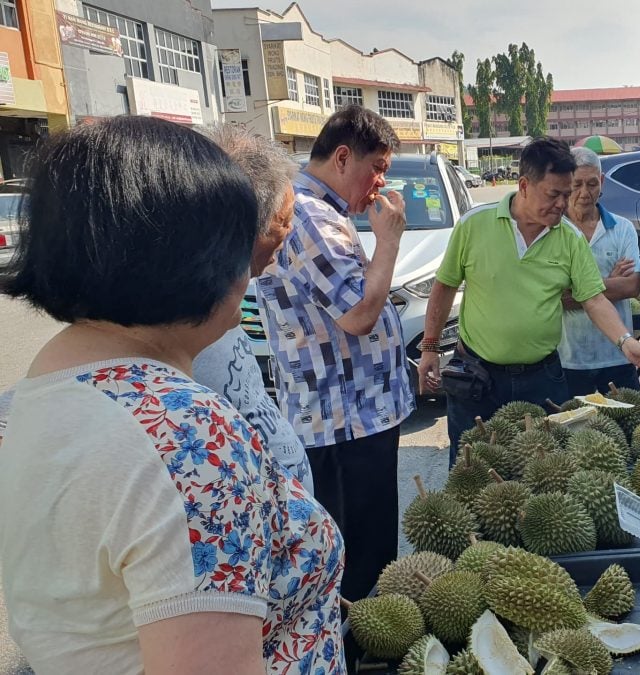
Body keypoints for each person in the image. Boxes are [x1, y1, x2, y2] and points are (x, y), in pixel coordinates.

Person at [0, 116, 344, 673]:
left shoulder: (50, 380)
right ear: (188, 259)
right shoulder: (187, 431)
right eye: (237, 242)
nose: (251, 272)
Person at [255, 104, 410, 601]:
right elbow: (359, 315)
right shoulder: (310, 216)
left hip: (355, 419)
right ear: (343, 157)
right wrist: (387, 242)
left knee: (368, 556)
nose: (380, 184)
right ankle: (354, 653)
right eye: (377, 169)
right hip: (342, 425)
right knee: (358, 572)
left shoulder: (325, 213)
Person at [417, 138, 640, 456]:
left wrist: (626, 341)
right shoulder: (473, 226)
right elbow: (445, 286)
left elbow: (594, 299)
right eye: (553, 194)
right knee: (470, 465)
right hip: (478, 375)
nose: (562, 204)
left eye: (566, 194)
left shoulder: (569, 238)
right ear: (524, 185)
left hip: (541, 378)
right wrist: (431, 347)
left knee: (541, 472)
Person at [193, 125, 313, 494]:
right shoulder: (183, 320)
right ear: (244, 224)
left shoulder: (223, 306)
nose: (290, 231)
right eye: (284, 219)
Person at [560, 146, 640, 396]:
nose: (585, 193)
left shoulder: (622, 228)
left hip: (617, 354)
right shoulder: (554, 231)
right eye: (577, 185)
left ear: (602, 182)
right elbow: (556, 296)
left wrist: (577, 289)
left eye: (592, 184)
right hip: (569, 357)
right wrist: (611, 281)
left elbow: (632, 286)